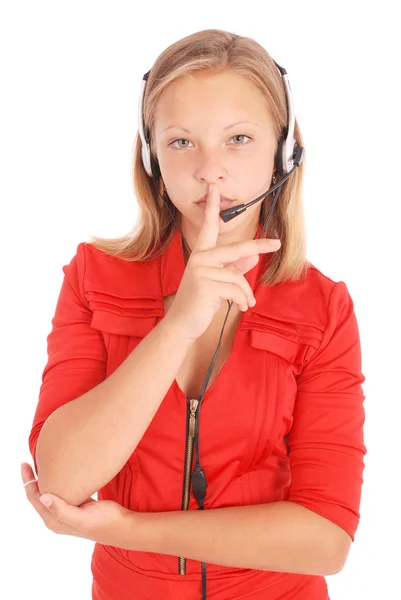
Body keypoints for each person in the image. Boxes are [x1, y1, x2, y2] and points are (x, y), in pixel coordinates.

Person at [26, 28, 366, 600]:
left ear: (283, 151)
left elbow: (325, 539)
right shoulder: (93, 277)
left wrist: (133, 531)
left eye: (238, 138)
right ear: (151, 154)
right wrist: (179, 323)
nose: (211, 171)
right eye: (182, 142)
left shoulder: (323, 308)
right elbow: (60, 482)